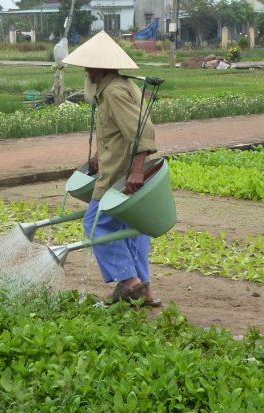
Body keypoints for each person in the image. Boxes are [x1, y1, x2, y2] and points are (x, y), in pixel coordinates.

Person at [62, 31, 162, 307]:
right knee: (133, 230)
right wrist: (98, 152)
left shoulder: (115, 92)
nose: (85, 71)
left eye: (88, 65)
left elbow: (142, 133)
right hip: (119, 170)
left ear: (100, 67)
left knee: (95, 224)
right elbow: (116, 130)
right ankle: (144, 290)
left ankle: (129, 283)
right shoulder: (116, 86)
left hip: (120, 176)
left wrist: (136, 172)